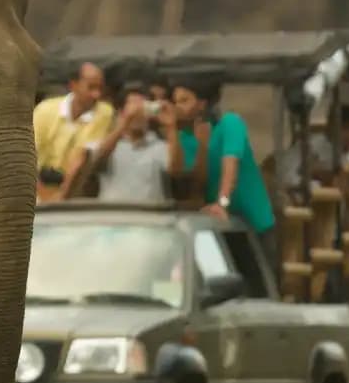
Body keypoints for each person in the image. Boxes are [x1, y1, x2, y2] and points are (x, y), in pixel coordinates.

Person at [171, 78, 277, 257]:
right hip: (218, 226)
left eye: (184, 100)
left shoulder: (230, 123)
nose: (177, 107)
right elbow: (196, 181)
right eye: (175, 102)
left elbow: (231, 164)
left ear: (202, 104)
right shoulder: (182, 139)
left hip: (253, 223)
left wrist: (223, 203)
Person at [62, 88, 178, 203]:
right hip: (113, 215)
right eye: (132, 107)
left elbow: (174, 170)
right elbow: (96, 161)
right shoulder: (107, 143)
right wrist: (125, 123)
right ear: (121, 112)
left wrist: (171, 127)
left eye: (142, 108)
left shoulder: (158, 145)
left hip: (149, 216)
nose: (138, 114)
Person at [32, 62, 115, 178]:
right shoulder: (44, 110)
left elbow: (87, 155)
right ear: (73, 86)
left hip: (74, 185)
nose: (97, 94)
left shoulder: (104, 113)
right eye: (91, 87)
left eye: (100, 88)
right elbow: (32, 152)